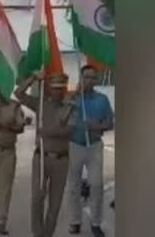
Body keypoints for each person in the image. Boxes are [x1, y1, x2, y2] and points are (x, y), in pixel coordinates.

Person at [15, 71, 76, 237]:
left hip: (61, 160)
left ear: (64, 89)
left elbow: (69, 131)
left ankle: (47, 234)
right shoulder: (41, 103)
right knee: (37, 197)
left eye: (61, 88)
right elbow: (18, 93)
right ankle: (37, 232)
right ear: (49, 88)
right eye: (54, 87)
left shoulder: (70, 107)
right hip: (41, 156)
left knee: (55, 203)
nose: (57, 91)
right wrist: (33, 78)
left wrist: (46, 131)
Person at [65, 65, 114, 237]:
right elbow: (62, 116)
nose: (90, 80)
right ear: (80, 77)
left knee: (96, 185)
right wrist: (74, 97)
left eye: (93, 77)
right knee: (73, 186)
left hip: (94, 146)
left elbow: (110, 123)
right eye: (86, 77)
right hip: (74, 145)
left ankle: (95, 223)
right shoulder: (71, 97)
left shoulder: (102, 99)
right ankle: (75, 222)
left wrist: (97, 126)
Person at [0, 90, 26, 235]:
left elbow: (20, 127)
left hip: (8, 152)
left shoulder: (14, 106)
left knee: (5, 188)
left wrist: (7, 126)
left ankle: (0, 220)